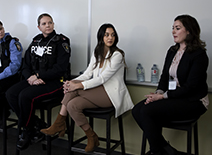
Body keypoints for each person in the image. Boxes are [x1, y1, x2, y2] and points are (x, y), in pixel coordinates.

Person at [40, 23, 134, 152]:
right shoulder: (97, 53)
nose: (110, 38)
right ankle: (91, 136)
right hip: (95, 94)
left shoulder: (117, 55)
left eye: (112, 35)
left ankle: (59, 123)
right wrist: (71, 82)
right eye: (106, 35)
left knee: (75, 90)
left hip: (110, 95)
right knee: (72, 105)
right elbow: (87, 74)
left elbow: (103, 79)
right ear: (101, 37)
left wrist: (76, 85)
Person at [132, 15, 209, 155]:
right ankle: (165, 149)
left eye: (177, 28)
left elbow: (191, 87)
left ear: (189, 31)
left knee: (146, 111)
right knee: (137, 110)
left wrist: (163, 97)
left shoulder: (199, 55)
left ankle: (157, 152)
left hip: (193, 101)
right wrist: (158, 93)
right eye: (172, 28)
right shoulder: (172, 51)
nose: (173, 31)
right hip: (174, 97)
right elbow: (164, 77)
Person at [6, 13, 71, 150]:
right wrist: (30, 77)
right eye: (44, 23)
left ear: (53, 24)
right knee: (11, 93)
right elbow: (25, 65)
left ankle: (27, 130)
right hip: (34, 79)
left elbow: (61, 68)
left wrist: (39, 75)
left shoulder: (62, 41)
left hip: (55, 82)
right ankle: (36, 124)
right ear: (39, 27)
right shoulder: (35, 41)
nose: (48, 25)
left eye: (50, 23)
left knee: (25, 96)